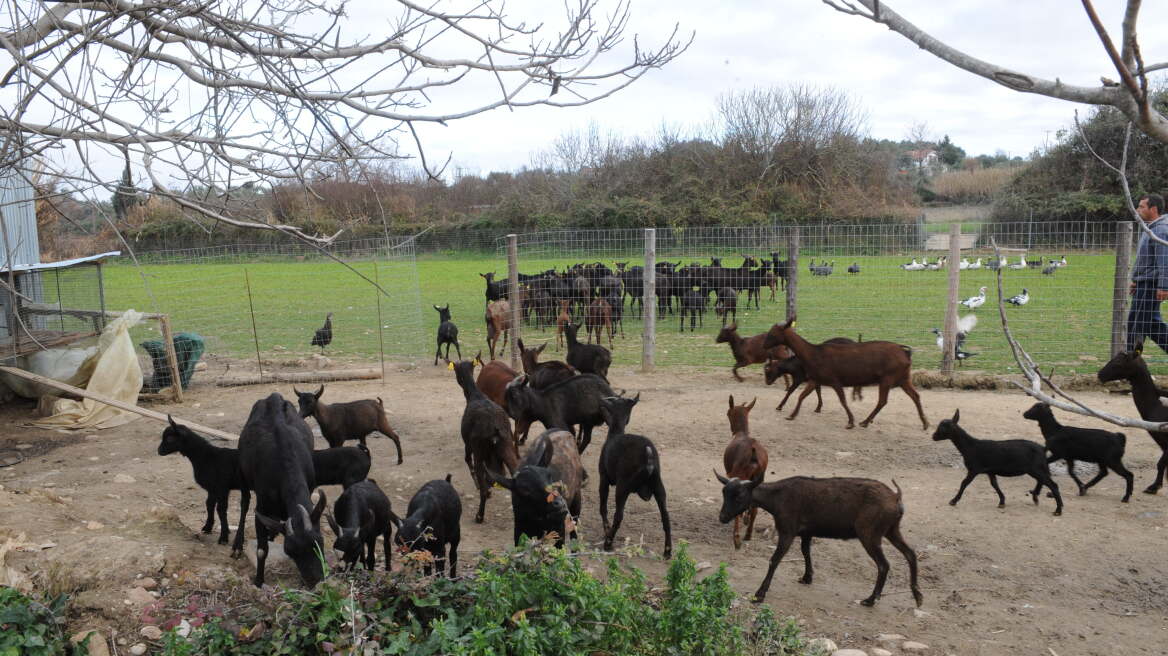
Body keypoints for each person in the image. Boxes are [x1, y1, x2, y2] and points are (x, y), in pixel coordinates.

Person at [1127, 193, 1168, 351]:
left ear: (1154, 209)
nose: (1137, 210)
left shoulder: (1161, 231)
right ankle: (1131, 361)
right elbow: (1147, 260)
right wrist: (1137, 280)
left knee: (1138, 325)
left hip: (1151, 285)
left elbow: (1164, 261)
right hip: (1144, 284)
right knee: (1149, 324)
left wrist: (1164, 286)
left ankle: (1130, 362)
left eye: (1142, 206)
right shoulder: (1149, 228)